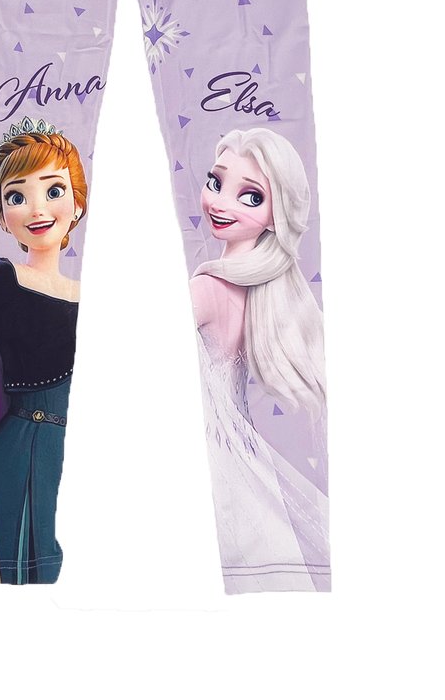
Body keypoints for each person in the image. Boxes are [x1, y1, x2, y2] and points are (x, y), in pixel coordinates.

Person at [0, 117, 88, 584]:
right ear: (1, 213)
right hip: (12, 444)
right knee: (8, 557)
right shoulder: (4, 277)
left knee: (48, 562)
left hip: (65, 445)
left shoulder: (85, 294)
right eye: (16, 196)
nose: (36, 209)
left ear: (77, 201)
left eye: (53, 190)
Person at [189, 126, 330, 592]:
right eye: (216, 183)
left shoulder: (207, 288)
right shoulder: (261, 296)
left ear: (275, 216)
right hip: (239, 458)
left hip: (210, 454)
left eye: (250, 197)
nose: (221, 203)